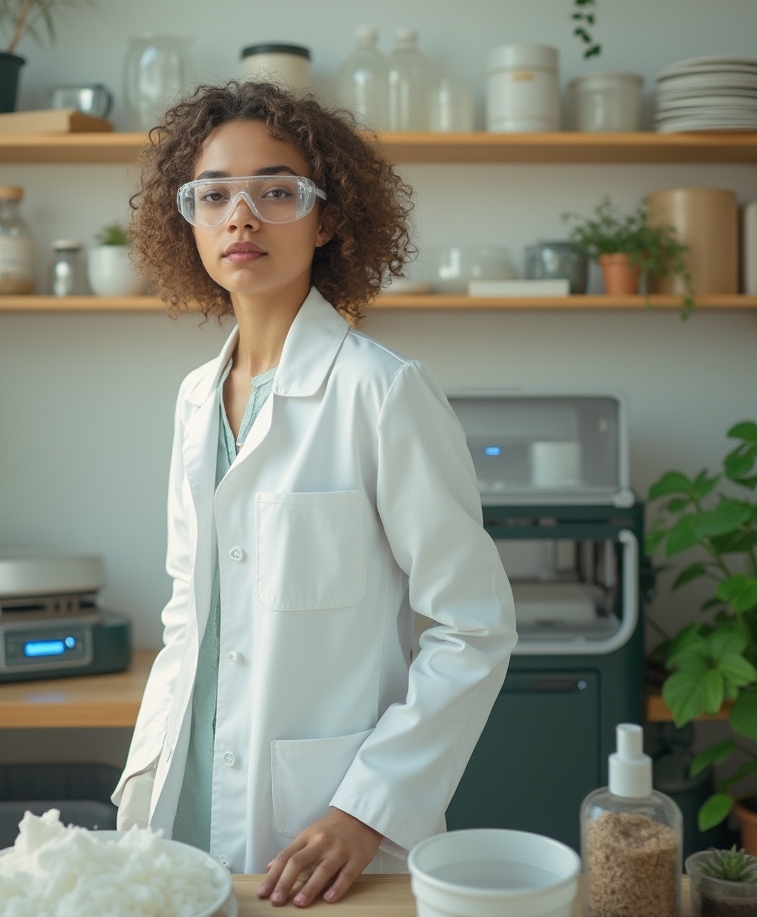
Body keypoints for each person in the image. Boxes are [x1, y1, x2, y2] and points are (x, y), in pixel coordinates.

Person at [111, 81, 517, 908]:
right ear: (184, 219)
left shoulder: (383, 392)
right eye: (214, 194)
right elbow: (190, 613)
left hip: (325, 824)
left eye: (277, 191)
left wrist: (366, 811)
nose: (241, 216)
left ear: (327, 219)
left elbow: (472, 626)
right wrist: (144, 770)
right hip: (175, 804)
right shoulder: (195, 398)